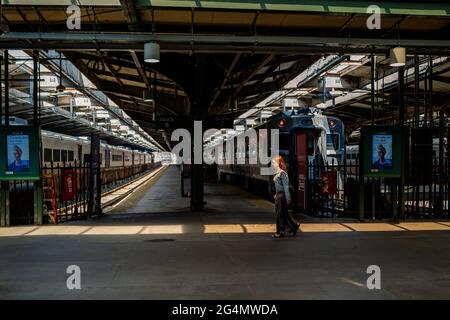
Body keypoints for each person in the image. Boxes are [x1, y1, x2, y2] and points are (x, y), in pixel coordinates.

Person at [272, 155, 300, 238]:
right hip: (279, 195)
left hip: (282, 196)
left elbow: (286, 187)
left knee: (279, 215)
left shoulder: (282, 174)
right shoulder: (277, 173)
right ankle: (295, 225)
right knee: (284, 214)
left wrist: (288, 199)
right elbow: (278, 186)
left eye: (273, 163)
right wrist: (276, 194)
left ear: (278, 163)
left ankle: (280, 232)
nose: (272, 164)